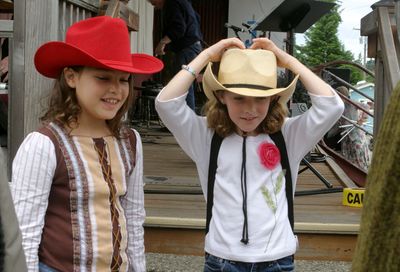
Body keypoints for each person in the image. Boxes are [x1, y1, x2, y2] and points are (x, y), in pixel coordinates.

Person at [155, 37, 344, 271]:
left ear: (274, 98)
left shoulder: (288, 135)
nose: (249, 110)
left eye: (260, 99)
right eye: (239, 98)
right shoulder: (205, 136)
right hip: (221, 260)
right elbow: (165, 103)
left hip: (277, 259)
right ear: (222, 97)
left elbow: (332, 106)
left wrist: (287, 60)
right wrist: (206, 56)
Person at [10, 16, 163, 272]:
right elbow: (25, 231)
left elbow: (134, 217)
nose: (116, 89)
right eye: (103, 78)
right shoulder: (44, 144)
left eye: (124, 79)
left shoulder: (130, 141)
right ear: (71, 77)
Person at [148, 0, 203, 111]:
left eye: (153, 3)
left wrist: (162, 43)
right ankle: (186, 121)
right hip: (195, 46)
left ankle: (186, 124)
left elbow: (178, 28)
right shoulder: (184, 2)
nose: (155, 7)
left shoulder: (171, 3)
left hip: (186, 48)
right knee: (186, 84)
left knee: (183, 86)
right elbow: (197, 18)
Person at [336, 86, 372, 172]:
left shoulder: (351, 103)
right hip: (346, 134)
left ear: (344, 95)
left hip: (356, 133)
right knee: (347, 154)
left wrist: (362, 120)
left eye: (339, 96)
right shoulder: (339, 105)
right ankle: (351, 172)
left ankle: (362, 172)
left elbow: (366, 106)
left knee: (358, 152)